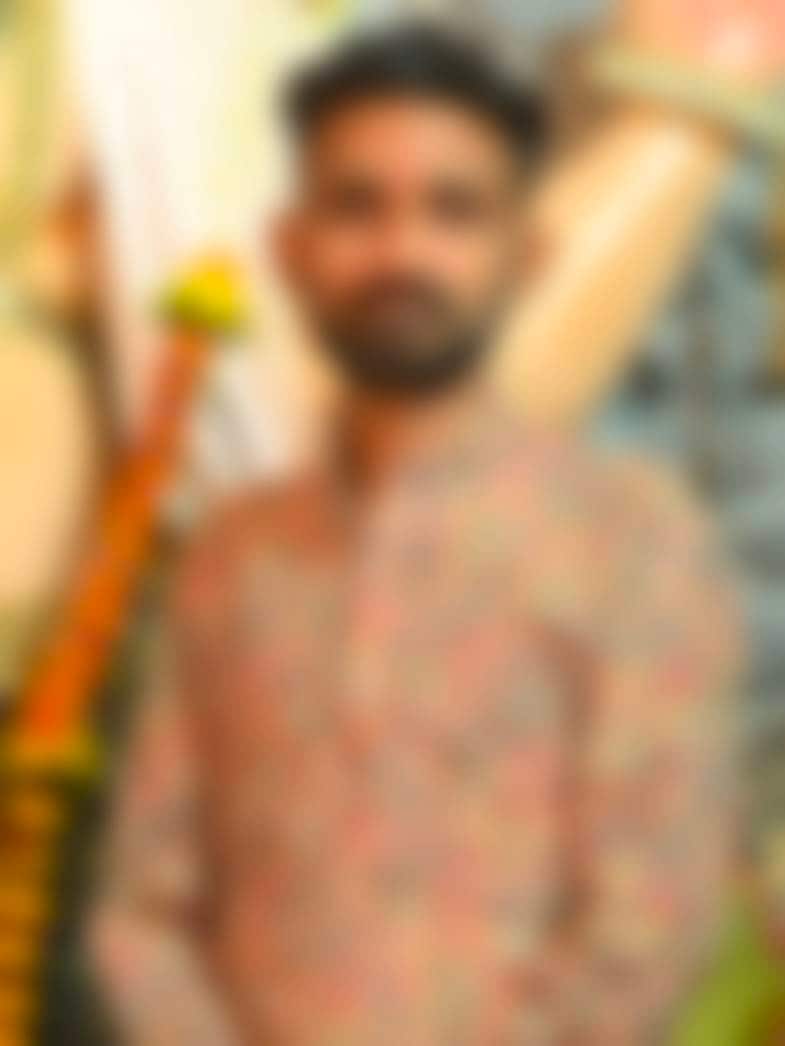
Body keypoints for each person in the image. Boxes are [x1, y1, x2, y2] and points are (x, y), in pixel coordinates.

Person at [90, 21, 743, 1045]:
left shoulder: (629, 545)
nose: (402, 253)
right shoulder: (235, 555)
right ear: (291, 249)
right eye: (358, 208)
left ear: (525, 252)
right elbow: (143, 908)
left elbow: (649, 913)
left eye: (452, 212)